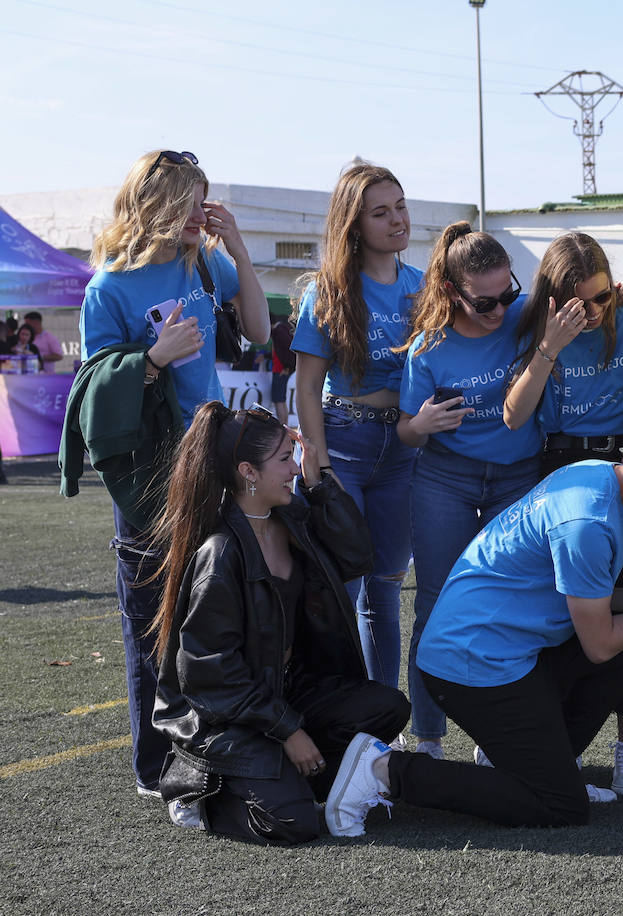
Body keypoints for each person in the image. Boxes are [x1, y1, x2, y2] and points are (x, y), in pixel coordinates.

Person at [322, 426, 623, 835]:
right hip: (470, 665)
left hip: (501, 647)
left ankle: (542, 763)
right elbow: (600, 645)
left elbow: (578, 595)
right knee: (561, 806)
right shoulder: (587, 523)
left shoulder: (602, 474)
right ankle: (383, 770)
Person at [80, 149, 270, 798]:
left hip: (213, 454)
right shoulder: (106, 288)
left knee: (217, 609)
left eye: (203, 199)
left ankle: (216, 743)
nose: (200, 212)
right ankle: (155, 767)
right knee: (151, 622)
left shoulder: (201, 260)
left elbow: (257, 329)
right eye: (189, 200)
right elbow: (97, 399)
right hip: (150, 471)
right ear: (154, 204)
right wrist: (153, 361)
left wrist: (238, 250)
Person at [149, 402, 410, 843]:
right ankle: (198, 790)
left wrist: (319, 484)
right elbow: (210, 677)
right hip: (223, 719)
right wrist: (287, 730)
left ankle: (280, 774)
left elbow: (357, 557)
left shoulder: (291, 517)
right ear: (248, 472)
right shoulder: (221, 553)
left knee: (388, 707)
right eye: (286, 459)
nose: (296, 467)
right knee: (292, 823)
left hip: (281, 691)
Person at [503, 232, 623, 795]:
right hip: (562, 472)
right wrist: (549, 345)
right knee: (565, 615)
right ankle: (545, 739)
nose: (592, 313)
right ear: (553, 297)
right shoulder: (539, 329)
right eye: (579, 303)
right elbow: (514, 417)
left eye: (600, 299)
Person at [395, 222, 543, 759]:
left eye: (508, 292)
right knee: (435, 603)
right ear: (454, 291)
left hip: (518, 475)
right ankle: (428, 739)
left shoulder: (526, 312)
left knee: (506, 602)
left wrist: (621, 294)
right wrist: (422, 423)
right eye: (486, 301)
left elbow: (587, 301)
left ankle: (498, 735)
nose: (501, 307)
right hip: (445, 478)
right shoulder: (428, 345)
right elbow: (405, 429)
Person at [292, 162, 420, 691]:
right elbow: (306, 384)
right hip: (343, 443)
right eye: (380, 212)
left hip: (405, 452)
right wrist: (315, 456)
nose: (397, 220)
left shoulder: (425, 286)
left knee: (386, 594)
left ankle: (381, 723)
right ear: (354, 224)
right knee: (342, 590)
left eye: (401, 206)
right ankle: (334, 718)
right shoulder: (327, 291)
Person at [269, 314, 296, 425]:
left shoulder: (278, 331)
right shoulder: (282, 328)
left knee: (278, 400)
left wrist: (288, 368)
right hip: (281, 369)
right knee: (281, 400)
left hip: (280, 370)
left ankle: (282, 427)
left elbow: (290, 349)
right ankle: (284, 427)